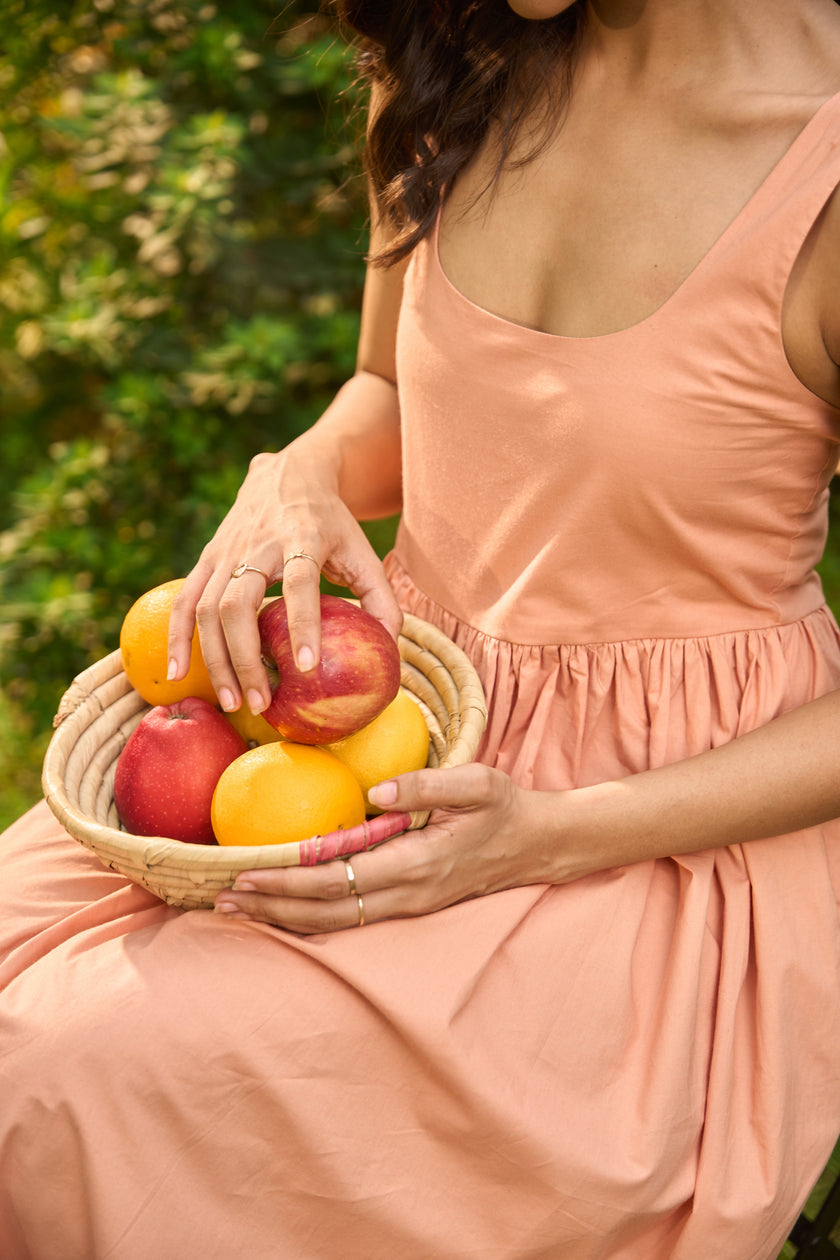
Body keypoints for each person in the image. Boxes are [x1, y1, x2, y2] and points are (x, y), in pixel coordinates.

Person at [2, 0, 840, 1255]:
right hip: (385, 725)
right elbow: (396, 392)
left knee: (69, 1070)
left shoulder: (819, 177)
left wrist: (544, 838)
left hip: (654, 838)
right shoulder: (464, 58)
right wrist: (295, 472)